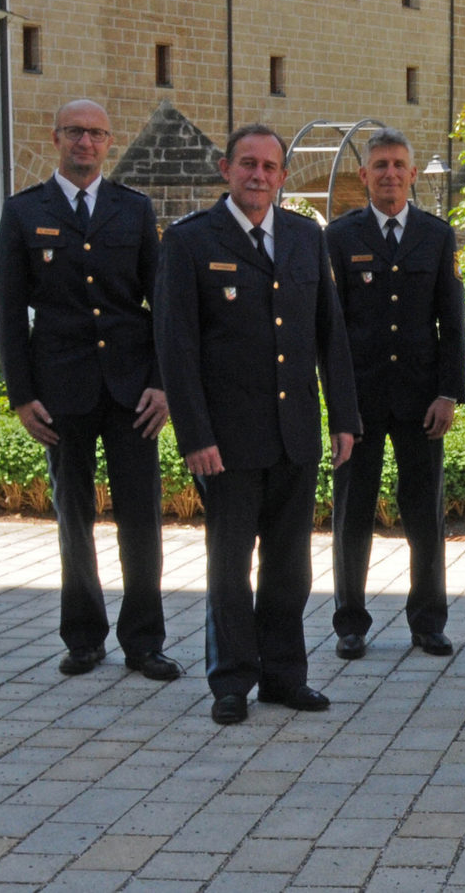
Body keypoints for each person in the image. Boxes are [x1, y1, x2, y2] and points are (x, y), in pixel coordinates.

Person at [155, 123, 358, 725]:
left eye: (270, 167)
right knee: (229, 566)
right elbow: (176, 345)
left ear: (282, 176)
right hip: (227, 440)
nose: (259, 176)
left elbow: (330, 334)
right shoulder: (191, 240)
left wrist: (344, 417)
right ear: (226, 168)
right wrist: (194, 434)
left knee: (289, 567)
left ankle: (284, 676)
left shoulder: (302, 237)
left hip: (294, 431)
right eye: (248, 164)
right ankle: (231, 681)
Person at [0, 99, 176, 682]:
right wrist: (22, 395)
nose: (86, 143)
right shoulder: (25, 213)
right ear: (56, 138)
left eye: (96, 133)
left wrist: (161, 383)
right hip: (60, 391)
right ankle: (83, 637)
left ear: (108, 142)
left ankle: (144, 641)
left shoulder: (133, 209)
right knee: (74, 517)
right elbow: (7, 309)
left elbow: (163, 305)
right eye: (75, 132)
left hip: (131, 392)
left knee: (141, 519)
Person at [325, 128, 465, 662]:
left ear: (412, 174)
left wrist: (449, 393)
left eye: (398, 165)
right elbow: (330, 330)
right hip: (358, 403)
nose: (389, 174)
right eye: (379, 165)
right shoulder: (338, 238)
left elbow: (451, 323)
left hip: (420, 399)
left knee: (424, 514)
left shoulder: (436, 235)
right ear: (363, 176)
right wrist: (339, 406)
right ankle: (350, 623)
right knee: (351, 513)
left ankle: (429, 621)